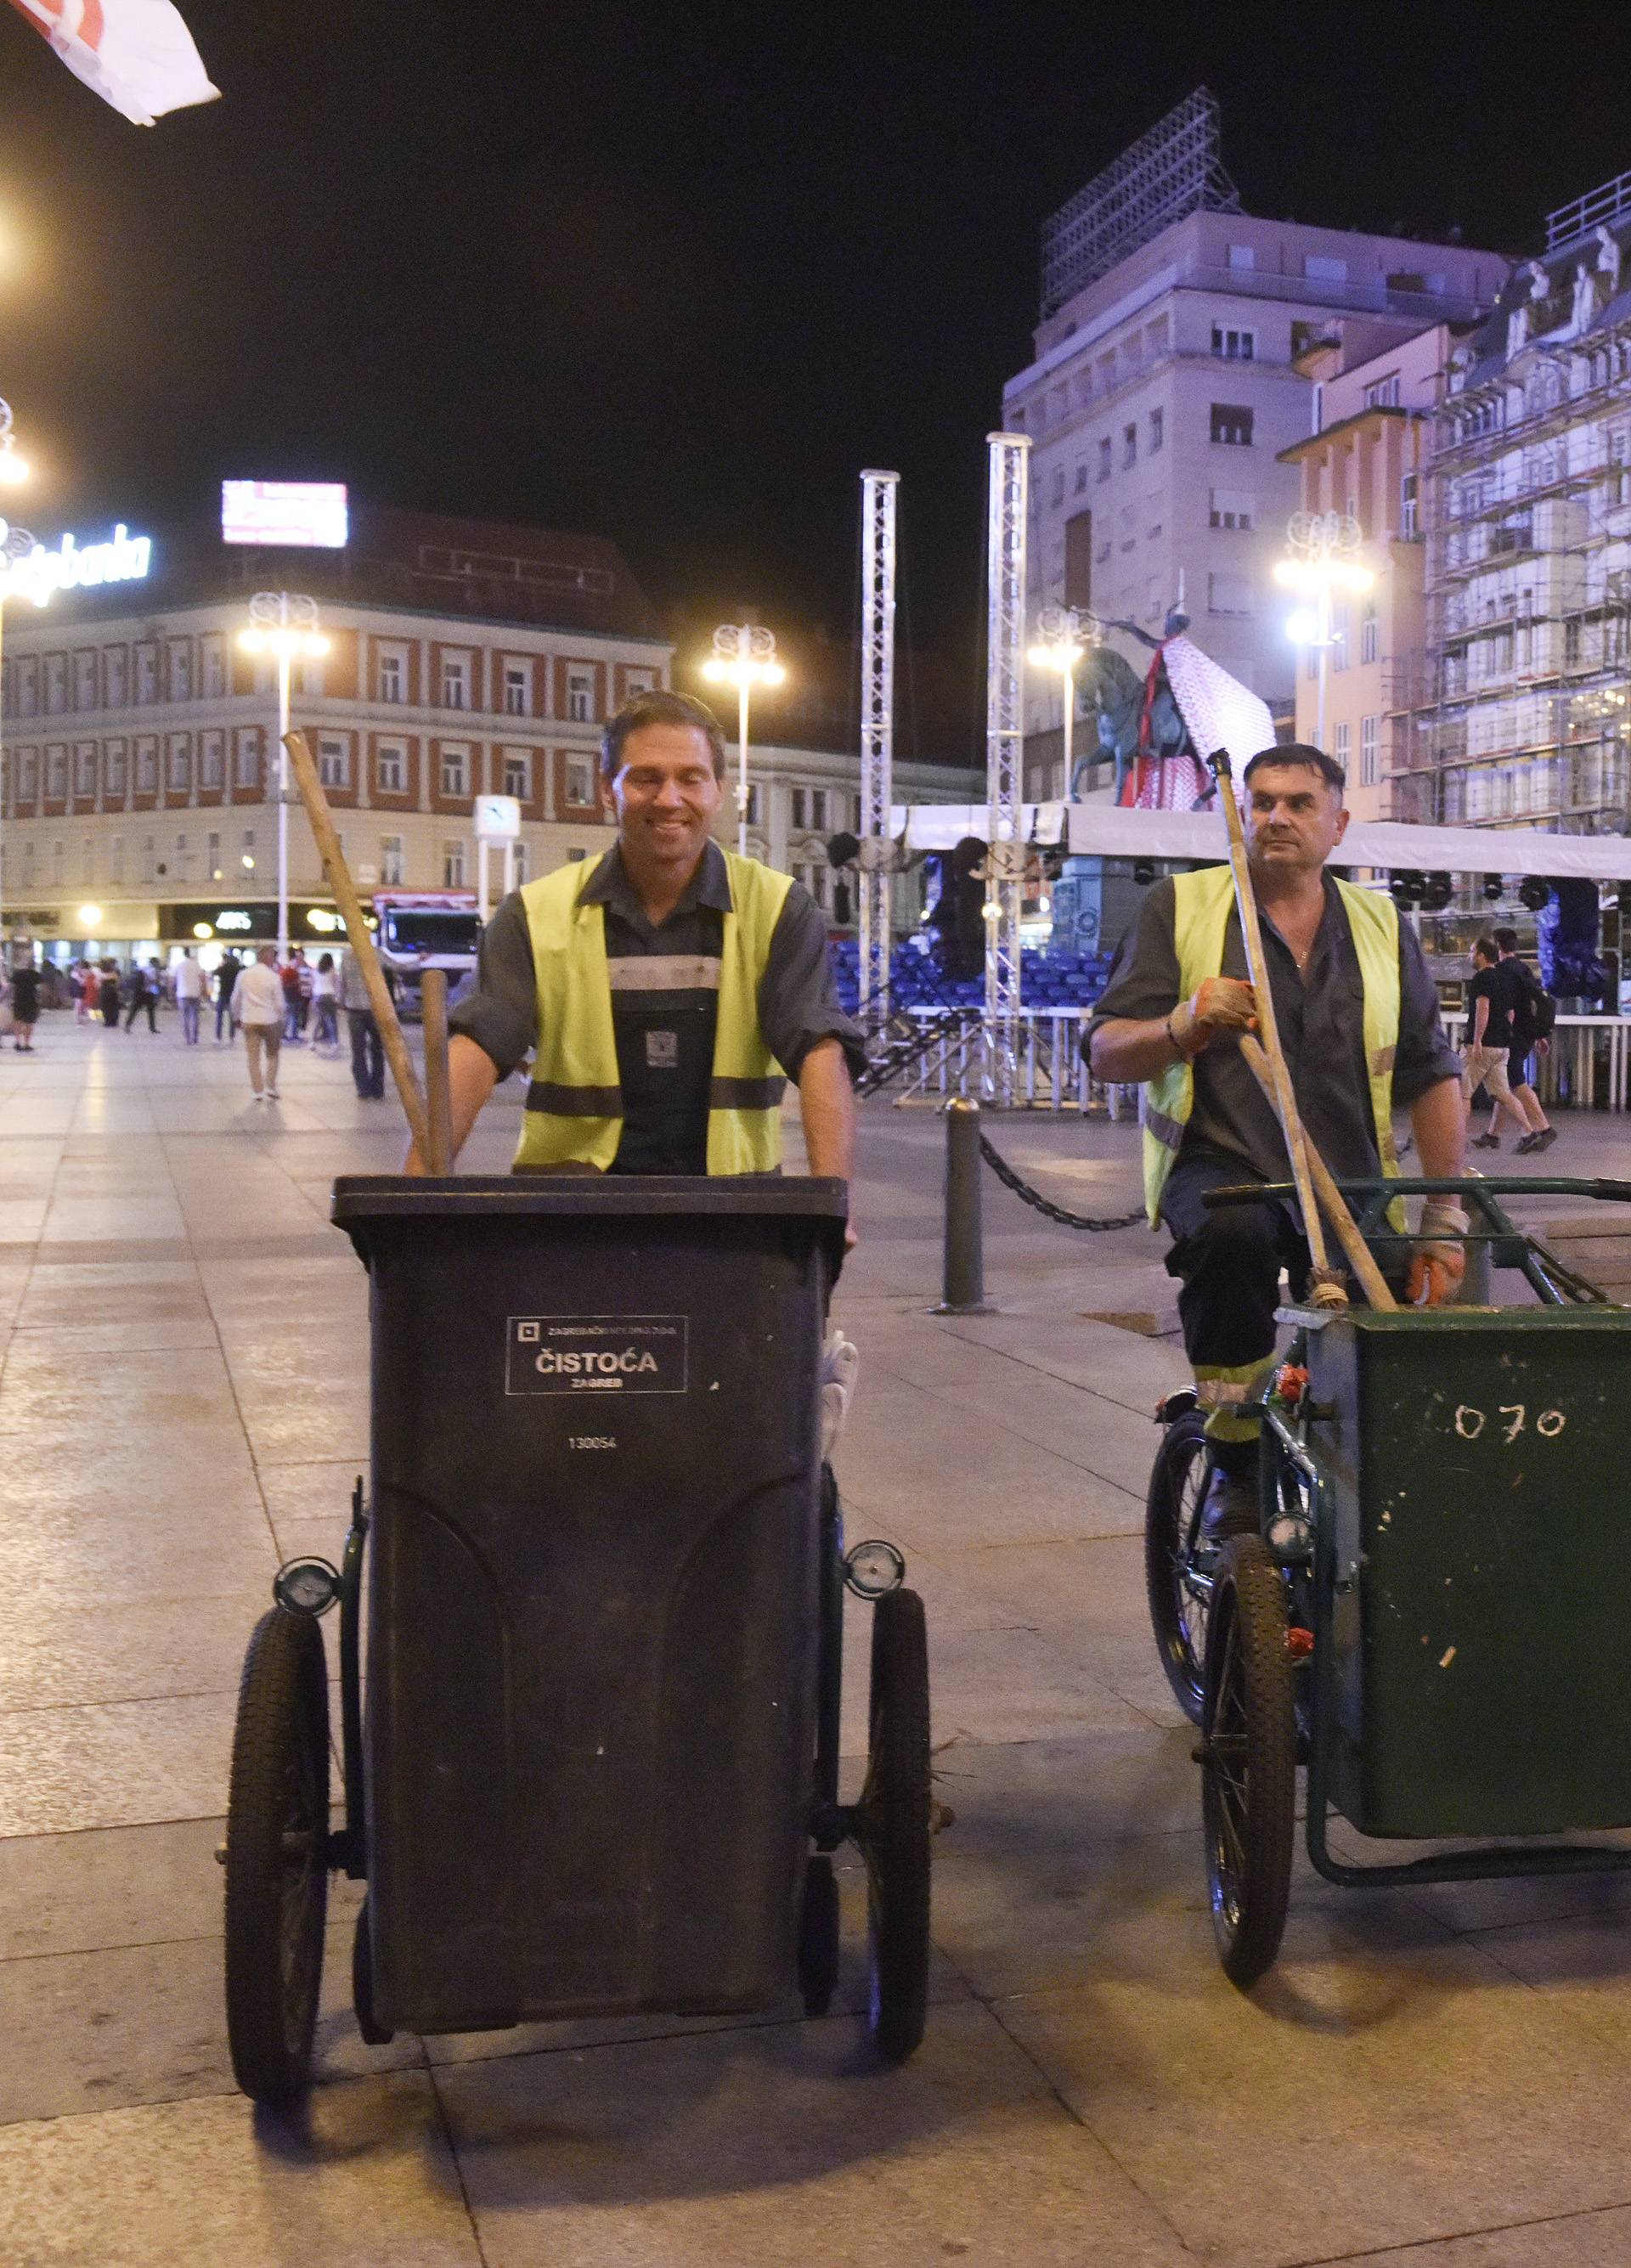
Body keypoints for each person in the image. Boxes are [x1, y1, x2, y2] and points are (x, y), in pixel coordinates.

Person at [1087, 742, 1467, 1533]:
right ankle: (1234, 1463)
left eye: (1298, 803)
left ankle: (1378, 1508)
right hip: (1226, 1168)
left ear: (1339, 825)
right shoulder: (1182, 908)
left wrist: (1444, 1218)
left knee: (1394, 1343)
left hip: (1353, 1183)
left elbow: (1433, 1075)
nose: (1275, 818)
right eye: (1260, 802)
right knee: (1235, 1237)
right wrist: (1182, 1024)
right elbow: (1107, 1051)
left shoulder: (1378, 923)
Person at [425, 688, 861, 1207]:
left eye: (690, 778)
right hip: (570, 1217)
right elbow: (477, 1047)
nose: (669, 799)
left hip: (732, 1216)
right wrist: (410, 1192)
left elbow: (818, 1050)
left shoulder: (779, 909)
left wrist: (832, 1202)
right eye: (645, 778)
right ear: (609, 791)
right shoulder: (533, 914)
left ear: (719, 791)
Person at [1462, 936, 1546, 1153]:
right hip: (1502, 1047)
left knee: (1463, 1092)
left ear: (1482, 956)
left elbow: (1483, 1009)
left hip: (1482, 1045)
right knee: (1503, 1093)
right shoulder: (1503, 978)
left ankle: (1456, 1140)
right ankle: (1528, 1131)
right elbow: (1510, 1013)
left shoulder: (1481, 979)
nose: (1469, 955)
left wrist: (1478, 1040)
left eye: (1472, 951)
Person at [1478, 926, 1556, 1155]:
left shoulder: (1502, 971)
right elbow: (1531, 1002)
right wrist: (1539, 1034)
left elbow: (1508, 1007)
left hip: (1513, 1032)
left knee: (1515, 1081)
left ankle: (1544, 1128)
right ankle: (1493, 1134)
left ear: (1497, 946)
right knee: (1503, 1081)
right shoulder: (1523, 968)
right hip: (1527, 1031)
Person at [232, 944, 285, 1102]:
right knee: (273, 1055)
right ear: (270, 959)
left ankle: (257, 1090)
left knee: (253, 1057)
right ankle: (270, 1086)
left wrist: (236, 1018)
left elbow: (235, 999)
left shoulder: (243, 975)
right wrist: (282, 1018)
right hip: (270, 1020)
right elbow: (280, 1004)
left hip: (249, 1019)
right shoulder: (274, 977)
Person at [340, 948, 388, 1097]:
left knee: (358, 1051)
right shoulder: (377, 953)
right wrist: (419, 960)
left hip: (355, 1009)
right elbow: (396, 966)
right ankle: (377, 1088)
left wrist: (341, 1000)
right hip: (374, 1008)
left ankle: (363, 1089)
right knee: (377, 1050)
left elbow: (342, 981)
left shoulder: (346, 955)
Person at [173, 948, 207, 1046]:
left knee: (185, 1017)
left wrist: (172, 992)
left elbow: (173, 980)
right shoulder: (196, 965)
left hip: (182, 994)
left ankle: (188, 1038)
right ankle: (195, 1038)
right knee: (195, 1017)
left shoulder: (180, 965)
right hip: (195, 993)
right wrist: (203, 990)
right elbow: (203, 978)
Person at [10, 956, 40, 1052]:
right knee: (29, 1024)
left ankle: (18, 1042)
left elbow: (11, 987)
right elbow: (40, 988)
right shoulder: (35, 974)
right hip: (31, 1001)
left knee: (17, 1021)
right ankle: (26, 1044)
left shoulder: (17, 974)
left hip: (18, 1000)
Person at [310, 951, 340, 1050]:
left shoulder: (315, 971)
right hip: (329, 996)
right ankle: (334, 1042)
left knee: (319, 1020)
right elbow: (336, 985)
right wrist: (337, 998)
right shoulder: (332, 971)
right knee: (332, 1021)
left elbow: (313, 985)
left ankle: (312, 1042)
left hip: (318, 996)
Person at [122, 961, 155, 1035]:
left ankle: (127, 1026)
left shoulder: (138, 972)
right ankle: (152, 1028)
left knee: (134, 1011)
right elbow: (152, 981)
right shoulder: (151, 971)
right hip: (147, 993)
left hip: (139, 994)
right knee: (150, 1011)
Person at [215, 951, 241, 1043]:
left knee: (219, 1017)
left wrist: (221, 965)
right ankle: (232, 1036)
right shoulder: (236, 969)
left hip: (222, 994)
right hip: (232, 995)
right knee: (232, 1017)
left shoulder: (223, 968)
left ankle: (218, 1037)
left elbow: (215, 973)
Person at [100, 962, 121, 1028]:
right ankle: (114, 1022)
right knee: (114, 1008)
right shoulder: (114, 974)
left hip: (105, 993)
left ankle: (107, 1021)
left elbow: (100, 984)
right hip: (113, 993)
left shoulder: (102, 975)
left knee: (106, 1008)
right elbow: (118, 984)